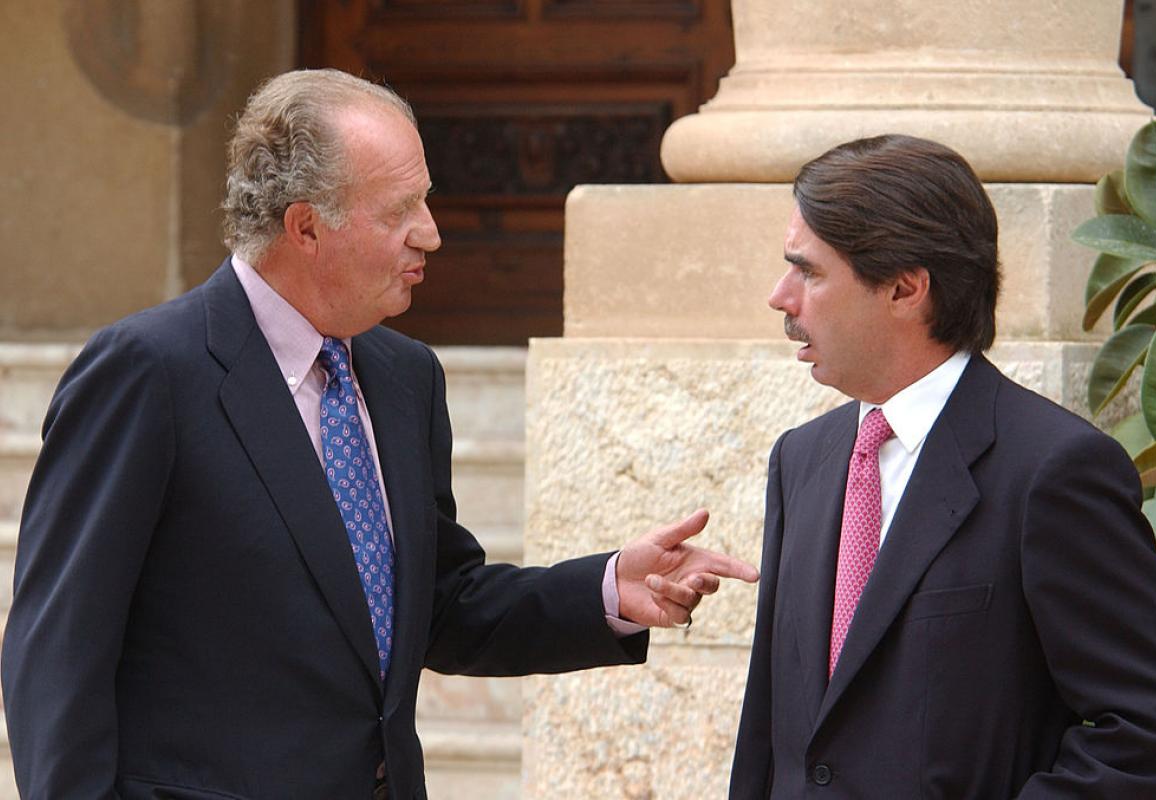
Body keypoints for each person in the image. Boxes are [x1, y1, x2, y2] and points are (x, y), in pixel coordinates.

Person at [1, 68, 758, 800]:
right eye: (400, 210)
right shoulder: (149, 372)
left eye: (425, 202)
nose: (429, 234)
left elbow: (439, 607)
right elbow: (58, 651)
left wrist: (606, 589)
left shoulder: (405, 377)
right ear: (305, 227)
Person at [729, 134, 1156, 798]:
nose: (781, 297)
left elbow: (1152, 724)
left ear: (904, 288)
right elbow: (771, 734)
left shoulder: (1054, 471)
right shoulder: (800, 461)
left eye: (807, 271)